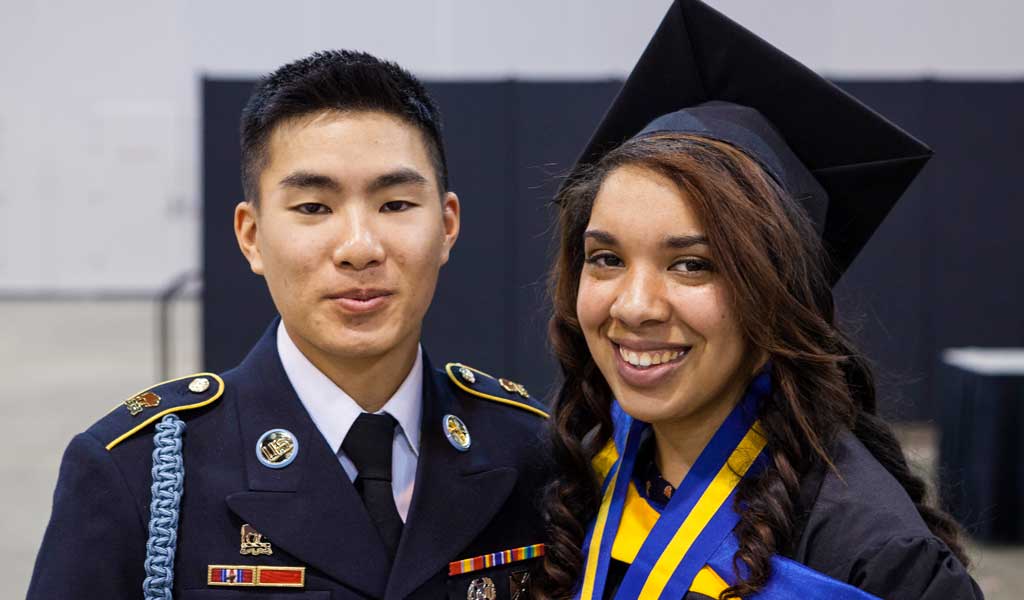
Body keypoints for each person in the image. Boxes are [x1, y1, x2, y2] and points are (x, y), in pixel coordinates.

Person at [29, 50, 550, 599]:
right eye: (313, 208)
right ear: (251, 235)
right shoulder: (141, 472)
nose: (359, 248)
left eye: (395, 204)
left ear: (447, 226)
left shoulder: (527, 451)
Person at [539, 2, 982, 599]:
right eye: (607, 259)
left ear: (777, 297)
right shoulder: (577, 476)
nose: (635, 305)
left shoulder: (867, 554)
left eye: (692, 265)